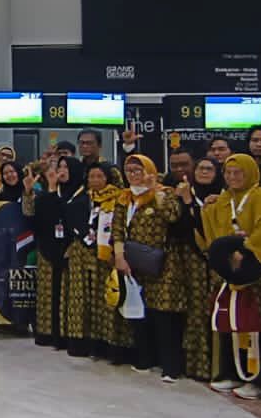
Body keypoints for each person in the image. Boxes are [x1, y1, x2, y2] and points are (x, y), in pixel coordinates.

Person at [198, 153, 261, 399]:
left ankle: (259, 378)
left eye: (238, 173)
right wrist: (208, 210)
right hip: (229, 273)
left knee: (254, 326)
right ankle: (230, 372)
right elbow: (214, 232)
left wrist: (243, 249)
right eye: (228, 173)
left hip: (255, 272)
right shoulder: (224, 198)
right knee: (228, 322)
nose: (232, 177)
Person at [111, 154, 185, 379]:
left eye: (138, 170)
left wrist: (158, 193)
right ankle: (144, 359)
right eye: (130, 171)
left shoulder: (165, 193)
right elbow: (117, 230)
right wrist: (120, 256)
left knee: (163, 315)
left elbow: (172, 217)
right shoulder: (124, 198)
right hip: (134, 262)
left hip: (162, 263)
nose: (134, 175)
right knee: (138, 313)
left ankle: (170, 366)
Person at [60, 163, 128, 360]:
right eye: (92, 177)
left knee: (105, 299)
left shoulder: (118, 199)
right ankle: (82, 343)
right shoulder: (82, 198)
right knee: (81, 299)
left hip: (106, 257)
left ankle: (107, 345)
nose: (95, 181)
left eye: (100, 176)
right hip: (82, 253)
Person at [168, 158, 223, 382]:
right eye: (201, 168)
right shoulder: (182, 194)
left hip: (218, 263)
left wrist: (193, 204)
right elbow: (179, 227)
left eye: (209, 169)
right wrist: (188, 202)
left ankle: (220, 366)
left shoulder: (224, 196)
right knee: (194, 313)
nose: (204, 172)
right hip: (190, 262)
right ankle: (194, 365)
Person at [23, 157, 79, 348]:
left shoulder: (79, 193)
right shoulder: (48, 193)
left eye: (65, 167)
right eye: (59, 166)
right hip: (47, 248)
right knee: (48, 295)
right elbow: (34, 216)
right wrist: (31, 191)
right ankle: (48, 334)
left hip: (71, 250)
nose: (61, 170)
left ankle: (65, 335)